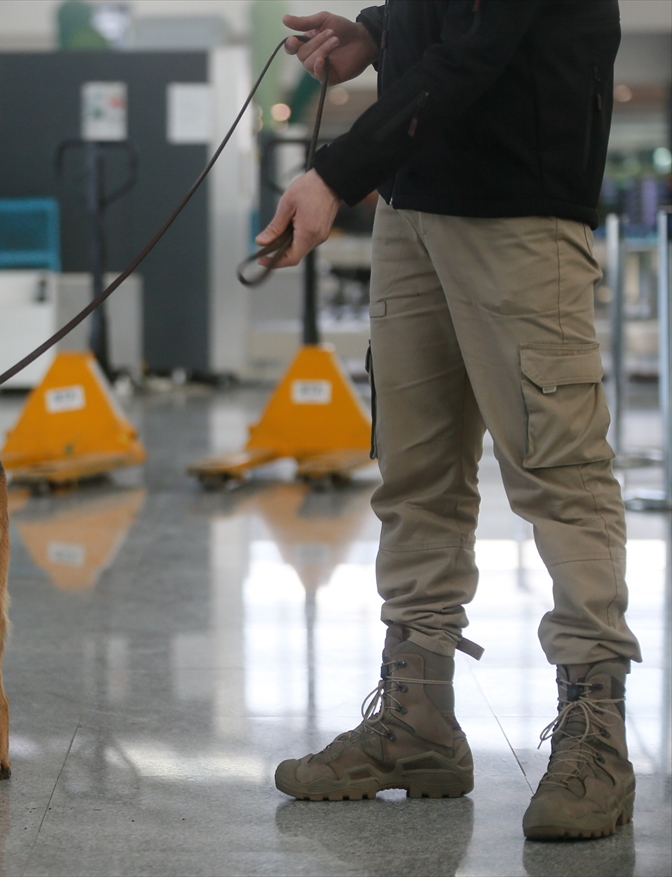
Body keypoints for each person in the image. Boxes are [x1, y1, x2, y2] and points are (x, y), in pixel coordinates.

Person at [261, 1, 639, 840]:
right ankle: (418, 718)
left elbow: (484, 40)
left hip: (520, 210)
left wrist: (335, 171)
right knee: (415, 471)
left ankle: (597, 729)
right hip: (413, 207)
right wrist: (377, 33)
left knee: (559, 473)